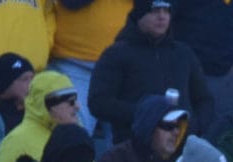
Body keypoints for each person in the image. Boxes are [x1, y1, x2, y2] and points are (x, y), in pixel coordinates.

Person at [89, 0, 213, 145]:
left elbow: (205, 100)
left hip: (181, 148)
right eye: (155, 11)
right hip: (134, 148)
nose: (162, 17)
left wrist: (193, 127)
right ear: (140, 14)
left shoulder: (184, 54)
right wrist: (146, 114)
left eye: (167, 11)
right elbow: (99, 102)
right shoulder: (116, 54)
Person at [0, 71, 86, 162]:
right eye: (71, 101)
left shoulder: (79, 136)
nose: (78, 106)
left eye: (76, 100)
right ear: (48, 105)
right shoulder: (15, 142)